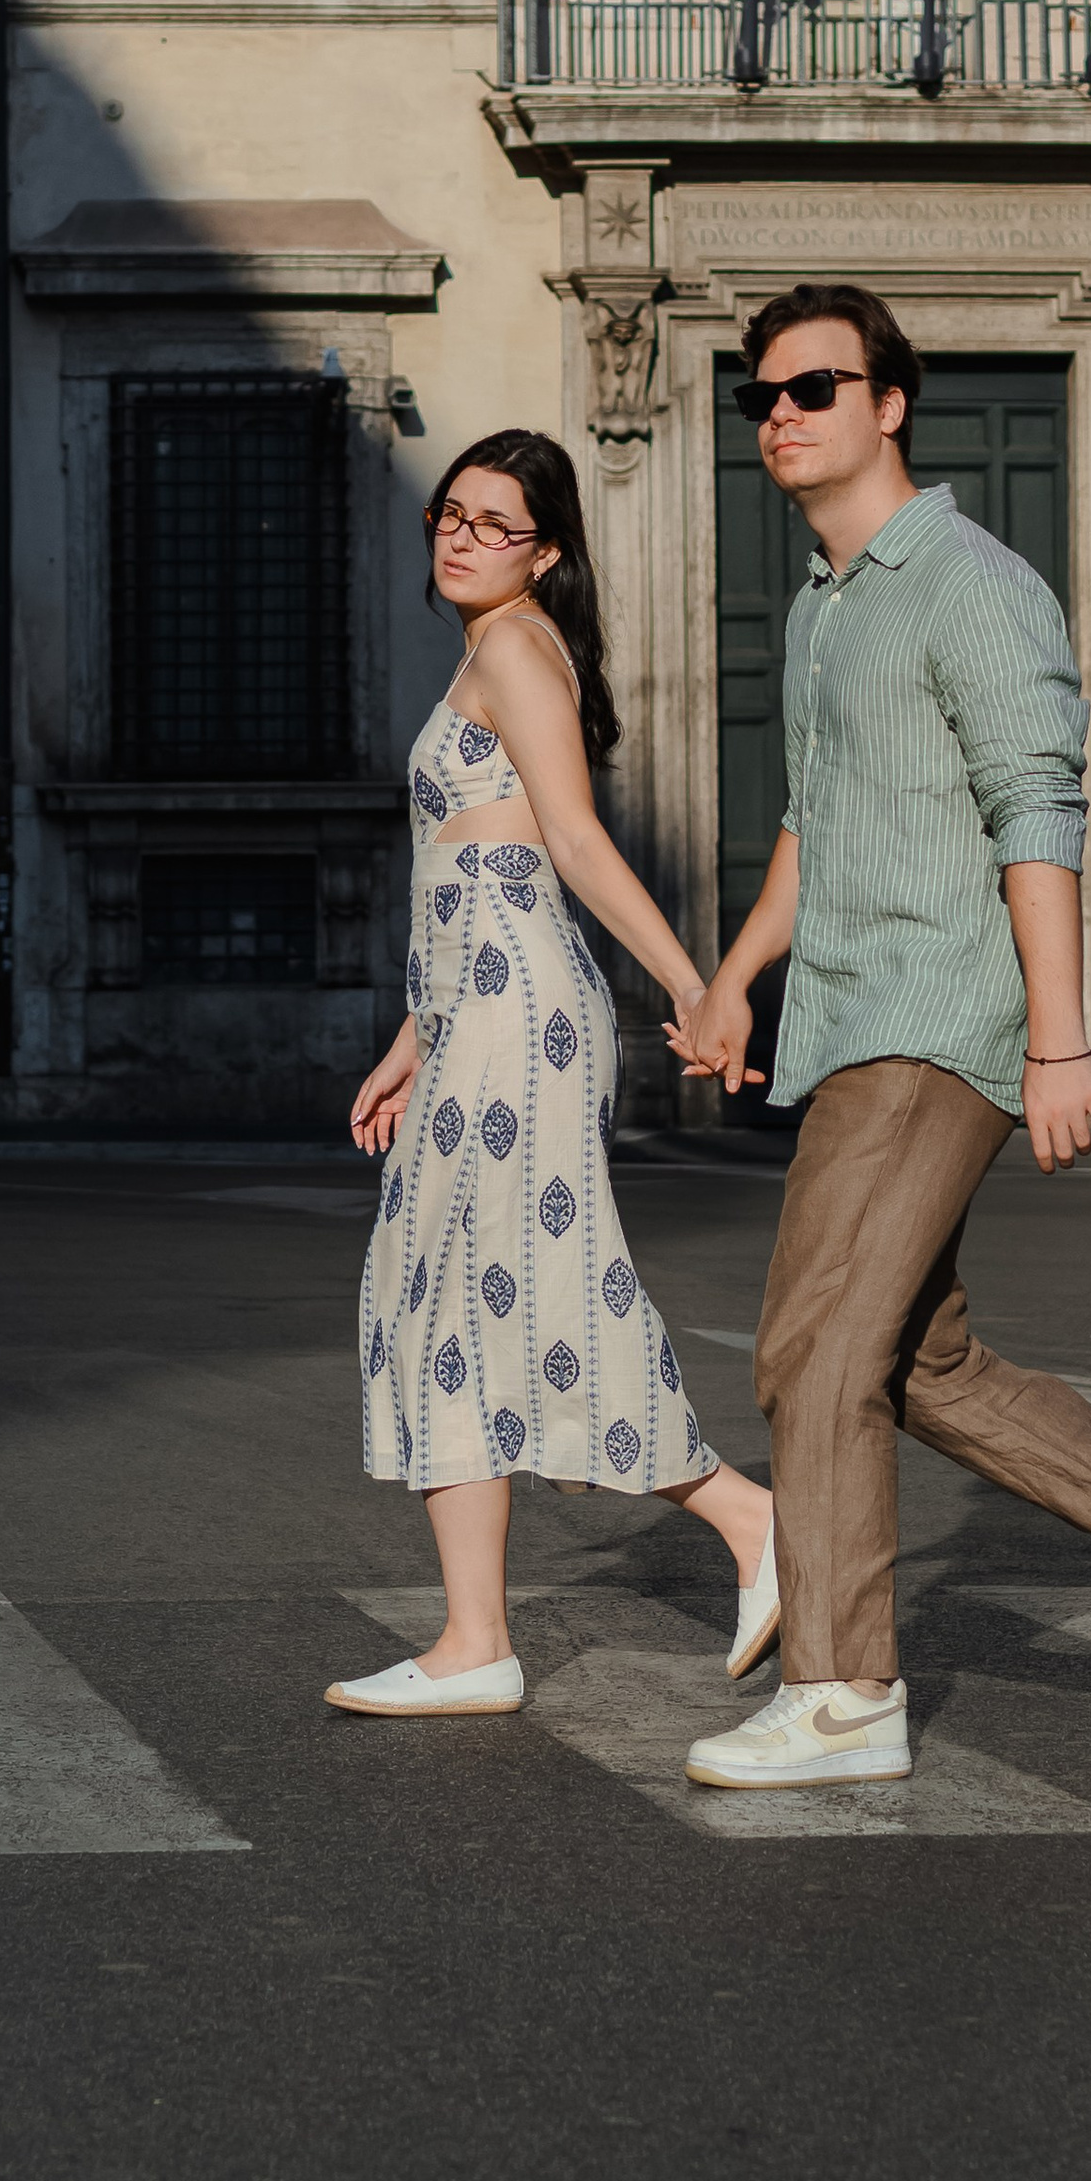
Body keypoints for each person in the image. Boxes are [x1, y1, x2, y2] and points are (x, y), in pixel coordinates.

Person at [671, 283, 1091, 1793]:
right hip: (851, 1009)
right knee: (918, 1358)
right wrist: (742, 971)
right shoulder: (826, 609)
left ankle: (844, 1691)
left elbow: (1040, 812)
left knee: (812, 1355)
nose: (784, 415)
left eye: (816, 387)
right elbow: (819, 824)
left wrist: (1061, 1043)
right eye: (764, 397)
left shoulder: (971, 583)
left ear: (890, 403)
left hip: (942, 1015)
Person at [328, 428, 778, 1718]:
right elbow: (478, 868)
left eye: (493, 524)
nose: (461, 538)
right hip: (475, 1015)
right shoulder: (486, 649)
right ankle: (477, 1642)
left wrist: (694, 987)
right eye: (450, 518)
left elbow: (575, 845)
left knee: (526, 1294)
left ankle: (751, 1521)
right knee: (447, 1311)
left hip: (522, 1018)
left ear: (548, 551)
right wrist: (413, 1040)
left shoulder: (520, 648)